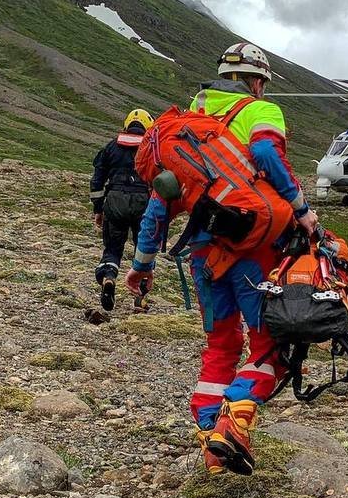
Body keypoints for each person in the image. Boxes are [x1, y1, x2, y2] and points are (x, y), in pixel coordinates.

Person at [125, 42, 319, 475]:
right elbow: (267, 153)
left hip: (204, 257)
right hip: (254, 252)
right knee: (272, 348)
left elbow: (159, 205)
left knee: (221, 345)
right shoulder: (258, 111)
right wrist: (301, 210)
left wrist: (142, 265)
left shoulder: (183, 129)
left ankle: (213, 448)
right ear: (257, 82)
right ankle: (234, 424)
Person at [90, 109, 154, 310]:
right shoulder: (152, 148)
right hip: (143, 203)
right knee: (143, 249)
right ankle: (140, 297)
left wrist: (98, 209)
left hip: (115, 201)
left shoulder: (111, 147)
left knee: (112, 248)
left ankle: (109, 278)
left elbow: (97, 180)